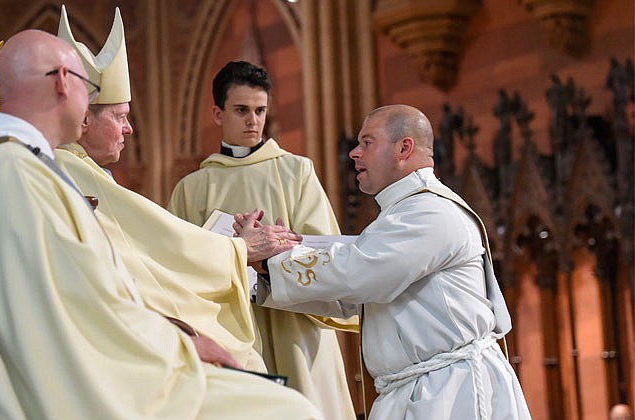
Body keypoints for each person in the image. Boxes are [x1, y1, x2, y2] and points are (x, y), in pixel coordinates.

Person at [0, 29, 320, 420]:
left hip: (95, 371)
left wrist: (177, 342)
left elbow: (82, 293)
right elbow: (78, 309)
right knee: (288, 410)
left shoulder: (14, 168)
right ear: (65, 83)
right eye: (92, 90)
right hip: (85, 391)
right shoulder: (12, 173)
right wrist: (180, 346)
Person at [234, 104, 532, 419]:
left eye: (367, 142)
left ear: (404, 148)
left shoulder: (429, 212)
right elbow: (353, 298)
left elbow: (360, 273)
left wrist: (273, 257)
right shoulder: (400, 214)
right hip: (423, 389)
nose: (353, 153)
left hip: (452, 394)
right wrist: (267, 272)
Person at [54, 5, 271, 371]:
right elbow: (159, 243)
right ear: (85, 118)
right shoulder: (70, 169)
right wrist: (238, 250)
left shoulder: (81, 169)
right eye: (121, 117)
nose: (129, 129)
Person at [168, 61, 358, 420]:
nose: (253, 121)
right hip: (232, 332)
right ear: (217, 113)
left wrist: (271, 260)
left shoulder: (296, 171)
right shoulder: (190, 189)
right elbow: (179, 269)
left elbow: (324, 251)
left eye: (260, 111)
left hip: (296, 327)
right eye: (241, 111)